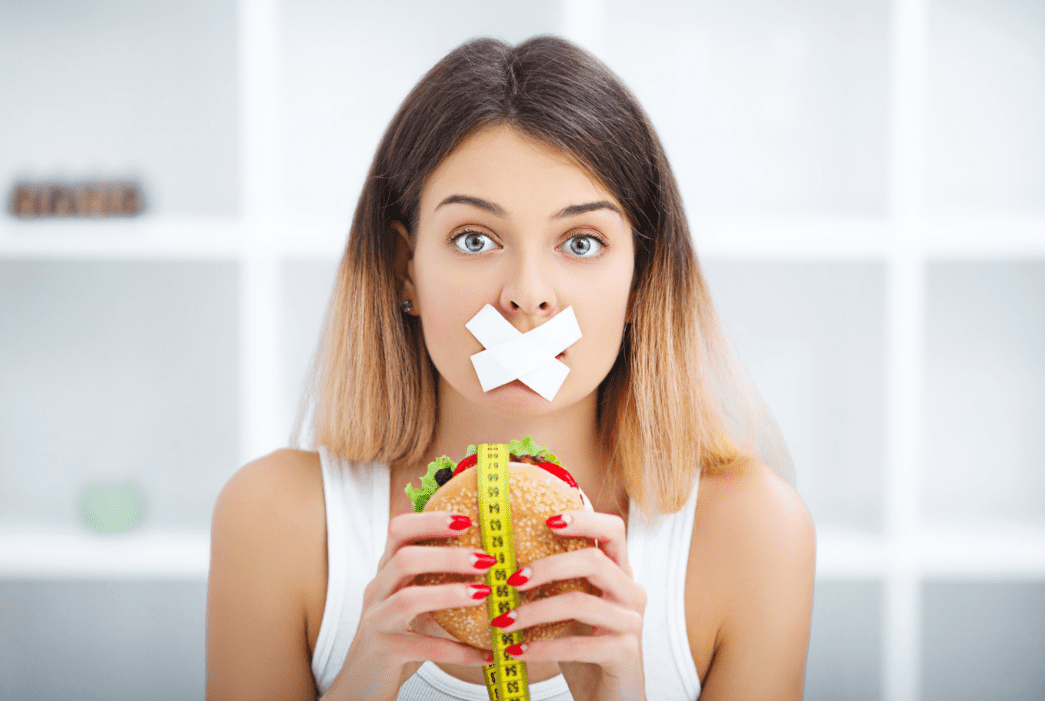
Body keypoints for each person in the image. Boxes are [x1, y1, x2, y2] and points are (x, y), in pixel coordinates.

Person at [206, 35, 815, 701]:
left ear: (643, 280)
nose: (527, 293)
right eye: (475, 239)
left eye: (581, 242)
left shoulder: (752, 535)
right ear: (405, 267)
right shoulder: (276, 521)